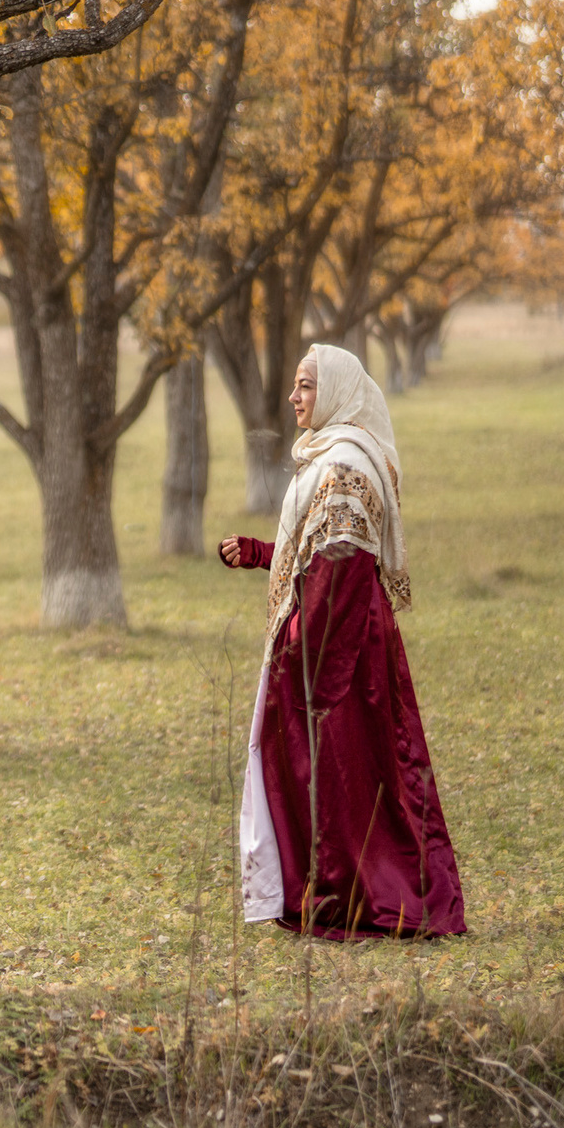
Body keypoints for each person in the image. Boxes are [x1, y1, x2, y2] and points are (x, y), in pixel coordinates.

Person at [217, 345, 466, 939]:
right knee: (349, 770)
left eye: (305, 387)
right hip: (338, 627)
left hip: (341, 639)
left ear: (332, 393)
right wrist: (259, 555)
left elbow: (345, 566)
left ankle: (364, 899)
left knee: (347, 770)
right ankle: (330, 894)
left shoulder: (346, 465)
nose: (294, 398)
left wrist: (310, 665)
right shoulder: (331, 454)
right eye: (296, 386)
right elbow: (318, 548)